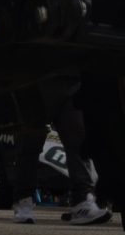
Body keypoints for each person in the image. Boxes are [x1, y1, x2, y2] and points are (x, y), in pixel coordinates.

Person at [10, 77, 109, 225]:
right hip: (32, 82)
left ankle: (82, 199)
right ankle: (23, 200)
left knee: (77, 136)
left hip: (68, 82)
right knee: (30, 142)